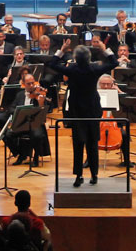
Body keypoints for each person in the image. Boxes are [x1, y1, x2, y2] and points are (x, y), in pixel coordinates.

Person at [47, 35, 118, 185]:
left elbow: (52, 64)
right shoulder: (94, 68)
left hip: (77, 110)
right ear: (89, 57)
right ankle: (94, 175)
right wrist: (104, 49)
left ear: (75, 58)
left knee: (78, 144)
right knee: (93, 144)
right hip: (92, 109)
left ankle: (78, 176)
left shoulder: (71, 69)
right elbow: (114, 62)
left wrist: (62, 50)